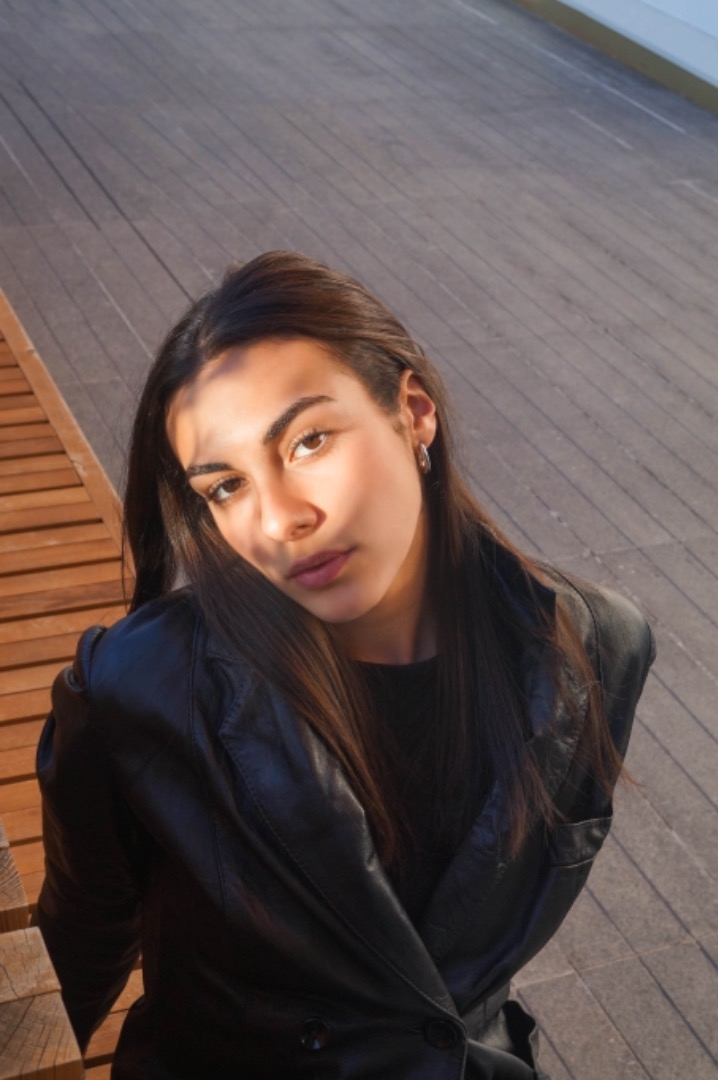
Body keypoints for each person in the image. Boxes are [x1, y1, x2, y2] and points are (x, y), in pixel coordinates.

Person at [36, 250, 655, 1080]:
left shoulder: (594, 648)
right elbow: (70, 957)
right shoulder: (137, 690)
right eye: (225, 487)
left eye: (309, 441)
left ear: (414, 412)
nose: (279, 519)